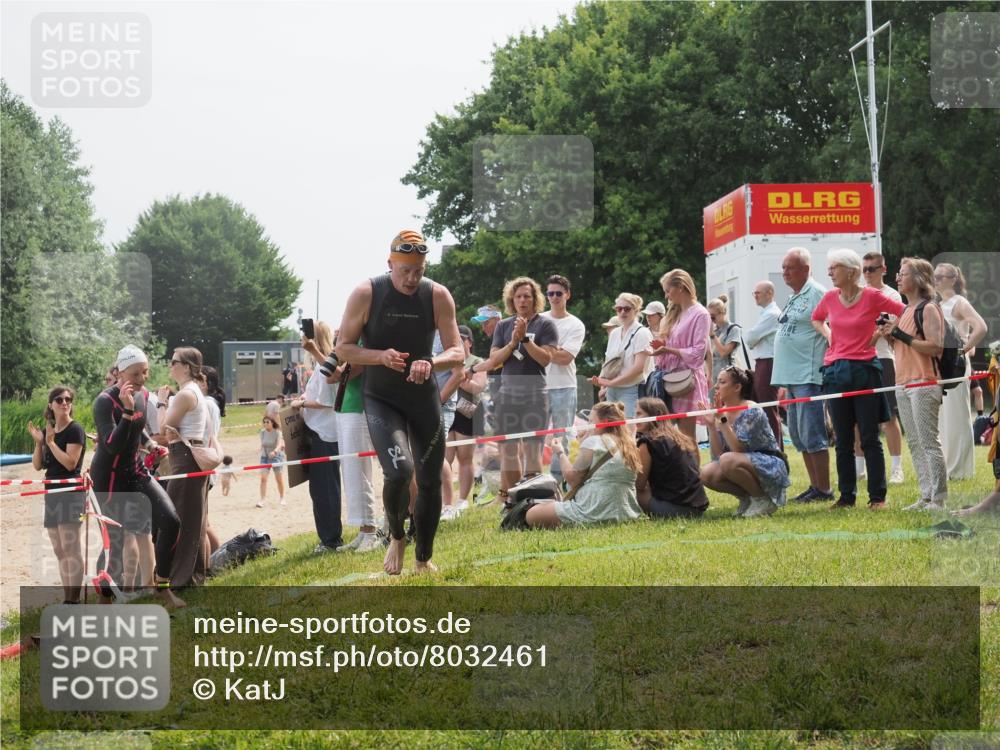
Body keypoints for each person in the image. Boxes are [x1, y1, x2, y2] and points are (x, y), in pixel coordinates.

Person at [336, 229, 463, 575]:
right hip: (381, 398)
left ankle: (423, 557)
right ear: (390, 263)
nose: (411, 278)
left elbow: (458, 351)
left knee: (430, 479)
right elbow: (343, 347)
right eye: (405, 270)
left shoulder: (437, 295)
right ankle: (396, 536)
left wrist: (431, 363)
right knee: (400, 472)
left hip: (423, 398)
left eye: (418, 271)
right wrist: (379, 356)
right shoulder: (366, 292)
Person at [812, 248, 905, 510]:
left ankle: (877, 497)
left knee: (869, 436)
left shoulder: (873, 296)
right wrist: (829, 336)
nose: (830, 272)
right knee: (842, 439)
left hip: (865, 370)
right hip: (835, 371)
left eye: (835, 267)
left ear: (852, 272)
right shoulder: (830, 297)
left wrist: (887, 328)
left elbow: (904, 310)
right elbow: (817, 319)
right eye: (829, 268)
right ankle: (846, 497)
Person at [91, 345, 183, 607]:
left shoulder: (142, 394)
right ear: (120, 373)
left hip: (135, 469)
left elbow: (138, 428)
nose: (142, 379)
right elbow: (111, 444)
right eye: (136, 374)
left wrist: (151, 444)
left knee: (171, 521)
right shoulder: (104, 401)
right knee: (116, 542)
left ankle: (162, 588)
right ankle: (104, 600)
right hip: (109, 478)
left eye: (145, 372)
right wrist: (128, 412)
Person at [467, 277, 558, 499]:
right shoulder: (503, 326)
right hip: (506, 395)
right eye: (518, 296)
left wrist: (525, 340)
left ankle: (534, 499)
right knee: (508, 450)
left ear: (535, 299)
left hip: (535, 394)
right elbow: (494, 360)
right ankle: (516, 499)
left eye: (527, 295)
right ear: (512, 300)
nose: (523, 300)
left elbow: (545, 359)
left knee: (532, 450)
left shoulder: (545, 325)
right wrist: (512, 342)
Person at [877, 258, 947, 510]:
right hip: (903, 382)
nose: (897, 277)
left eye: (903, 273)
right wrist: (890, 337)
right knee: (915, 443)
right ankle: (925, 495)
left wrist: (899, 334)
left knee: (929, 441)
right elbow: (903, 348)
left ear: (918, 279)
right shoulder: (905, 311)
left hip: (924, 381)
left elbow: (935, 346)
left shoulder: (928, 308)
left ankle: (938, 499)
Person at [771, 248, 833, 503]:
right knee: (798, 434)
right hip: (791, 377)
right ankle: (814, 485)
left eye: (790, 267)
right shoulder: (795, 296)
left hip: (808, 374)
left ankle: (825, 489)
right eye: (783, 267)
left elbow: (832, 326)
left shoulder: (817, 293)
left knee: (813, 433)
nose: (785, 272)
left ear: (806, 269)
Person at [526, 401, 643, 528]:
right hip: (626, 513)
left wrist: (560, 452)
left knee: (531, 514)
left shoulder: (594, 442)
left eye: (591, 422)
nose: (588, 425)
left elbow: (572, 479)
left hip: (592, 510)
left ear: (604, 423)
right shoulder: (630, 445)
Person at [700, 366, 790, 517]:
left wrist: (722, 421)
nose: (716, 386)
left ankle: (762, 500)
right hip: (740, 462)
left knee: (728, 460)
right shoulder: (722, 412)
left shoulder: (751, 410)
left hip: (770, 463)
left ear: (737, 387)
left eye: (721, 382)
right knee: (706, 473)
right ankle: (748, 498)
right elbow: (717, 456)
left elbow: (738, 449)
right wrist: (711, 425)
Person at [291, 321, 344, 553]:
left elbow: (326, 402)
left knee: (325, 489)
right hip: (322, 432)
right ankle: (329, 537)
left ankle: (331, 539)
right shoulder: (324, 363)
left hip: (325, 434)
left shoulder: (326, 365)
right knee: (322, 488)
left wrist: (301, 403)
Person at [29, 386, 86, 603]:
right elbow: (37, 466)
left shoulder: (75, 429)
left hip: (71, 493)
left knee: (71, 549)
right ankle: (68, 598)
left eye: (68, 399)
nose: (64, 403)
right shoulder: (49, 432)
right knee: (59, 550)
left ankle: (74, 600)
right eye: (59, 399)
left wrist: (51, 443)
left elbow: (71, 464)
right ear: (51, 405)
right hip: (52, 494)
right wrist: (40, 443)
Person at [160, 346, 211, 587]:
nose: (170, 365)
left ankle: (182, 579)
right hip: (186, 456)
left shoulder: (185, 395)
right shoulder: (191, 392)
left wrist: (161, 403)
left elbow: (164, 430)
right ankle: (192, 575)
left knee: (182, 519)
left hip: (184, 457)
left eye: (174, 361)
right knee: (194, 519)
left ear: (187, 367)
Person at [935, 262, 988, 480]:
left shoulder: (959, 302)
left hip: (955, 364)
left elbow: (981, 327)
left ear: (953, 279)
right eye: (935, 275)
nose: (936, 279)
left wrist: (962, 350)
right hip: (941, 366)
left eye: (941, 276)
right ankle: (948, 466)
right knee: (943, 417)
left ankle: (960, 469)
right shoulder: (939, 303)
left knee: (957, 415)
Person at [649, 270, 711, 452]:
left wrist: (668, 349)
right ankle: (683, 476)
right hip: (670, 380)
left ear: (681, 287)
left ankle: (694, 479)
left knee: (687, 438)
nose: (666, 295)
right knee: (672, 439)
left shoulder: (700, 314)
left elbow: (699, 353)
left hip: (685, 382)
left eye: (668, 290)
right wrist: (662, 346)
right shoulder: (676, 313)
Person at [330, 344, 381, 554]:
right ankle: (363, 529)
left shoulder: (363, 343)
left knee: (360, 471)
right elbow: (329, 376)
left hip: (359, 408)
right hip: (345, 407)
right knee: (351, 472)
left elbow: (341, 375)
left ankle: (371, 530)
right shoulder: (350, 343)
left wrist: (315, 350)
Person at [860, 251, 905, 484]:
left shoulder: (892, 295)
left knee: (888, 416)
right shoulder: (858, 293)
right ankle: (859, 469)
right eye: (864, 269)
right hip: (860, 358)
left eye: (872, 269)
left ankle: (897, 467)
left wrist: (881, 332)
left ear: (883, 270)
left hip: (884, 358)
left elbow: (895, 331)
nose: (867, 274)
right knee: (858, 419)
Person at [543, 275, 586, 484]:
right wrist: (553, 350)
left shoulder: (576, 324)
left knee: (562, 438)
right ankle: (534, 481)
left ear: (567, 295)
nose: (554, 297)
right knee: (534, 436)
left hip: (564, 387)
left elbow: (566, 358)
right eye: (550, 293)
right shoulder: (539, 320)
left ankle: (558, 482)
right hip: (538, 387)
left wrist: (543, 350)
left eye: (558, 293)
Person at [634, 397, 709, 518]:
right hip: (698, 508)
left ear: (654, 415)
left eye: (639, 414)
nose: (635, 419)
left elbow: (639, 484)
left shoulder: (647, 443)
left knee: (633, 491)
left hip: (675, 510)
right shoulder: (681, 437)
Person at [444, 325, 487, 511]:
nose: (458, 341)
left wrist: (458, 376)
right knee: (445, 459)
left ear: (469, 341)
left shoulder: (477, 361)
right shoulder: (447, 358)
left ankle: (462, 501)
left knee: (465, 458)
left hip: (468, 410)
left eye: (462, 338)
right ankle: (446, 503)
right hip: (448, 410)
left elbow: (478, 387)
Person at [590, 293, 652, 419]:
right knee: (612, 431)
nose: (622, 312)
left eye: (627, 309)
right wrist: (602, 383)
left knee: (628, 431)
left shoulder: (642, 333)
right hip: (612, 390)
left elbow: (639, 368)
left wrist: (611, 382)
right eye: (619, 309)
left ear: (636, 310)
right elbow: (608, 362)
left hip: (632, 389)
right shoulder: (614, 333)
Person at [744, 280, 783, 446]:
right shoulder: (766, 314)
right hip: (763, 361)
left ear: (769, 293)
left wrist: (753, 339)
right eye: (754, 293)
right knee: (763, 406)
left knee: (768, 407)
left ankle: (776, 448)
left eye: (758, 293)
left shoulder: (772, 314)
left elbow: (750, 337)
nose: (755, 296)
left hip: (768, 362)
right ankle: (770, 445)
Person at [707, 295, 742, 401]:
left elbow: (724, 352)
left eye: (712, 317)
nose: (711, 320)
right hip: (713, 374)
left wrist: (712, 336)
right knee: (714, 405)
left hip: (727, 374)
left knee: (727, 404)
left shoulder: (733, 329)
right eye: (708, 317)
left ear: (722, 313)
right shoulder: (715, 330)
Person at [256, 415, 287, 507]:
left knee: (279, 479)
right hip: (265, 457)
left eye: (267, 422)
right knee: (263, 479)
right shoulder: (262, 432)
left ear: (272, 423)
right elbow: (263, 444)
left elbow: (279, 444)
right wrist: (261, 450)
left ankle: (282, 498)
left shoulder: (277, 432)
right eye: (264, 422)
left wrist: (275, 451)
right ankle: (262, 500)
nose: (265, 424)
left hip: (276, 457)